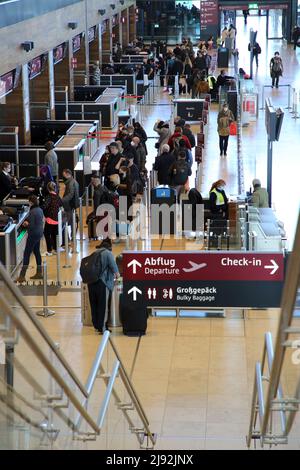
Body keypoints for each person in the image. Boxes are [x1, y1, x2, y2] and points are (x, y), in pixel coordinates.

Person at [87, 239, 120, 334]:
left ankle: (96, 326)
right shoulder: (108, 253)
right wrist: (117, 276)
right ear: (109, 246)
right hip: (102, 283)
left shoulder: (94, 253)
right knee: (103, 306)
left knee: (94, 305)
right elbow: (115, 270)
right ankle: (103, 328)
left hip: (91, 282)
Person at [16, 195, 44, 282]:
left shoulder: (32, 212)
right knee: (36, 252)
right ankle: (39, 273)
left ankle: (22, 276)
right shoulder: (39, 209)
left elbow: (31, 225)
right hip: (39, 233)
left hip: (33, 234)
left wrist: (25, 224)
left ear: (31, 202)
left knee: (26, 253)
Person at [42, 182, 63, 256]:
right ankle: (55, 249)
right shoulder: (57, 196)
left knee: (47, 234)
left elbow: (44, 206)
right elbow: (61, 203)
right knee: (54, 234)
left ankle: (49, 250)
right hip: (56, 219)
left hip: (49, 219)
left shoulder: (48, 197)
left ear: (48, 189)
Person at [61, 169, 80, 239]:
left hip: (69, 205)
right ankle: (72, 236)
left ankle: (68, 237)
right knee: (71, 221)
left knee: (66, 221)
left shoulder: (71, 183)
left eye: (64, 175)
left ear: (68, 174)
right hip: (71, 205)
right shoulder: (72, 182)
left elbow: (70, 195)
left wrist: (61, 201)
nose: (63, 177)